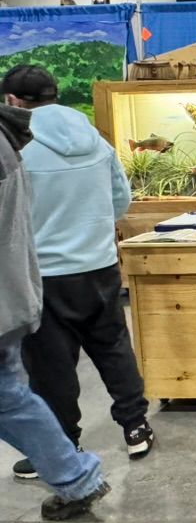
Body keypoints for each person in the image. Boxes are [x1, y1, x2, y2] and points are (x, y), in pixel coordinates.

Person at [2, 65, 154, 480]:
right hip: (101, 265)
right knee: (113, 346)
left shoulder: (16, 149)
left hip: (45, 274)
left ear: (13, 101)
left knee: (52, 365)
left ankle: (62, 446)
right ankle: (136, 427)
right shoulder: (95, 139)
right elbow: (121, 200)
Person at [0, 102, 111, 523]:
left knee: (30, 384)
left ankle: (76, 474)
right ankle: (76, 476)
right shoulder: (11, 141)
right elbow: (118, 195)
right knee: (11, 396)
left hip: (35, 281)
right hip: (31, 285)